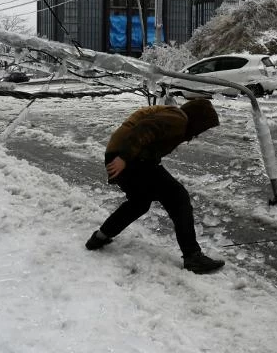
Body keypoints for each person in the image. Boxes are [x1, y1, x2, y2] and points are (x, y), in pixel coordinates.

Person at [85, 99, 225, 274]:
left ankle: (99, 237)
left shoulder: (175, 117)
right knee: (178, 197)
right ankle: (193, 257)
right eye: (204, 127)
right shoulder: (178, 118)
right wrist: (123, 158)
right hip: (128, 158)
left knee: (139, 203)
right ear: (198, 119)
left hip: (127, 157)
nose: (200, 132)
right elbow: (144, 128)